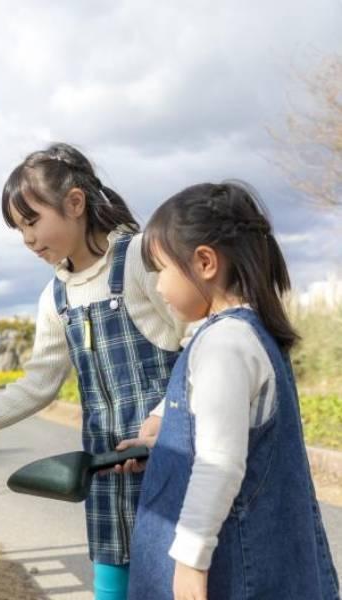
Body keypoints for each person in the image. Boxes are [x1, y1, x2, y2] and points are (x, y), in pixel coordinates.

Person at [0, 143, 188, 600]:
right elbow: (37, 385)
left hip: (171, 459)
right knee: (111, 589)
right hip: (107, 472)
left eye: (32, 221)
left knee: (177, 582)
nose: (27, 238)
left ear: (75, 204)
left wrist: (166, 416)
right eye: (18, 229)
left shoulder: (139, 259)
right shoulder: (56, 298)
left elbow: (197, 344)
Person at [120, 181, 339, 599]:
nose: (159, 287)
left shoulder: (224, 343)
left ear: (205, 262)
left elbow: (220, 462)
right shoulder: (243, 334)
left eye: (161, 270)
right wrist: (162, 443)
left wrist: (189, 562)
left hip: (230, 572)